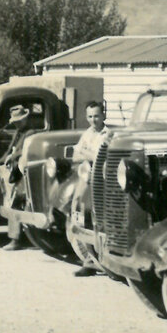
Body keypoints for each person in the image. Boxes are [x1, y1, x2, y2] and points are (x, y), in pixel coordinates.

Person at [0, 105, 40, 251]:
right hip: (8, 166)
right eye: (16, 121)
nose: (17, 123)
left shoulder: (30, 133)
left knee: (12, 200)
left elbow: (23, 152)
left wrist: (12, 157)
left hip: (18, 170)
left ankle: (14, 240)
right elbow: (9, 151)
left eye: (19, 120)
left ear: (26, 119)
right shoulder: (19, 132)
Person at [69, 101, 109, 276]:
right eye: (90, 116)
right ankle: (89, 260)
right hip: (85, 179)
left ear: (103, 116)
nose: (93, 120)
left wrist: (86, 153)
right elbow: (75, 156)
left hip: (101, 183)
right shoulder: (87, 133)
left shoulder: (108, 135)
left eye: (97, 116)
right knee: (79, 218)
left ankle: (103, 262)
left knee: (96, 220)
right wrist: (88, 154)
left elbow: (101, 159)